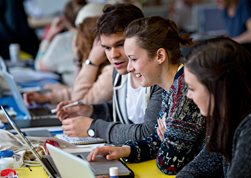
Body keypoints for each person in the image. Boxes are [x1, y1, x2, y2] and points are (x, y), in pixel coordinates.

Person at [87, 16, 206, 175]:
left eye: (134, 59)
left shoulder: (184, 91)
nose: (129, 68)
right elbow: (156, 140)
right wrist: (124, 150)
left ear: (160, 56)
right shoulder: (170, 87)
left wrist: (166, 139)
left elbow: (168, 163)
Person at [56, 3, 163, 145]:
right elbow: (124, 113)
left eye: (120, 45)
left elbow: (148, 133)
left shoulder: (157, 76)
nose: (113, 55)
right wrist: (91, 111)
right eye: (106, 48)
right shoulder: (119, 73)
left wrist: (93, 128)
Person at [175, 37, 251, 177]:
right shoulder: (228, 120)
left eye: (192, 88)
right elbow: (199, 167)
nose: (188, 96)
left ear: (218, 89)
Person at [23, 3, 113, 106]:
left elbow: (79, 100)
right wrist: (48, 97)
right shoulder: (102, 65)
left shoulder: (110, 71)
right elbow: (84, 91)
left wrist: (91, 62)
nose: (75, 42)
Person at [34, 0, 86, 86]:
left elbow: (39, 66)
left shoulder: (62, 40)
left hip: (71, 90)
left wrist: (49, 36)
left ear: (65, 19)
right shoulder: (99, 38)